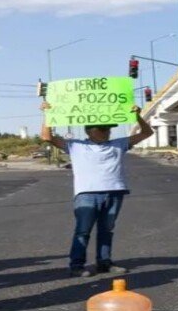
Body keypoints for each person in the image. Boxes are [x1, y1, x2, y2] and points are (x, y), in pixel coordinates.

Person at [40, 102, 154, 277]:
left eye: (108, 128)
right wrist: (48, 114)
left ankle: (104, 263)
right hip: (87, 194)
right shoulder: (75, 145)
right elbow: (46, 136)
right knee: (83, 231)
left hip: (114, 192)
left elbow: (147, 133)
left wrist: (137, 116)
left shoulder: (119, 143)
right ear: (89, 131)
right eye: (102, 129)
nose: (107, 132)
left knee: (107, 230)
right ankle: (77, 265)